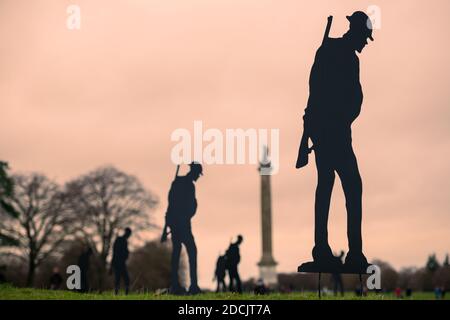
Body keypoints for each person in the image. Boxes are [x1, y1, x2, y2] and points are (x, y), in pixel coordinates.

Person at [298, 11, 374, 272]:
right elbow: (318, 90)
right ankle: (346, 252)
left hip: (331, 130)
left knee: (329, 185)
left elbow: (325, 91)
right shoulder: (338, 53)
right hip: (333, 131)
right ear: (355, 32)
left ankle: (328, 249)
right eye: (365, 37)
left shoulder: (333, 50)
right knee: (349, 186)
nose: (365, 43)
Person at [166, 162, 203, 295]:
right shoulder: (189, 185)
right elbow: (190, 205)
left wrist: (168, 223)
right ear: (194, 172)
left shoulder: (177, 182)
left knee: (176, 253)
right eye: (198, 174)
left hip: (175, 223)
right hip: (183, 224)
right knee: (192, 251)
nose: (198, 177)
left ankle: (176, 285)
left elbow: (170, 204)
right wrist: (190, 212)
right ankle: (193, 286)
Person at [111, 227, 132, 295]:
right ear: (126, 233)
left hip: (120, 262)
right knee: (122, 279)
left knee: (121, 279)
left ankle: (120, 293)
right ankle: (118, 293)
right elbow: (116, 252)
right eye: (129, 234)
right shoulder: (120, 240)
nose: (129, 235)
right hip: (118, 262)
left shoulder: (122, 240)